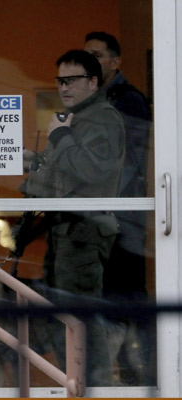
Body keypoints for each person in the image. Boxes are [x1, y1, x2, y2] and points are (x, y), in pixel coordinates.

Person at [24, 49, 125, 386]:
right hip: (66, 229)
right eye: (59, 81)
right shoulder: (77, 119)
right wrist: (35, 163)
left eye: (72, 80)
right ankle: (80, 383)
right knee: (64, 316)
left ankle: (94, 387)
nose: (64, 87)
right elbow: (67, 173)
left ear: (93, 82)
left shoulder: (102, 118)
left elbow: (92, 170)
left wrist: (60, 137)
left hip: (83, 230)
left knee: (79, 317)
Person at [84, 31, 153, 385]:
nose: (90, 61)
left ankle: (145, 374)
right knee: (110, 293)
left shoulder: (128, 102)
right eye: (86, 55)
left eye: (96, 54)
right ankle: (122, 374)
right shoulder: (94, 99)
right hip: (104, 217)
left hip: (123, 217)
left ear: (115, 61)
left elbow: (122, 161)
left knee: (127, 293)